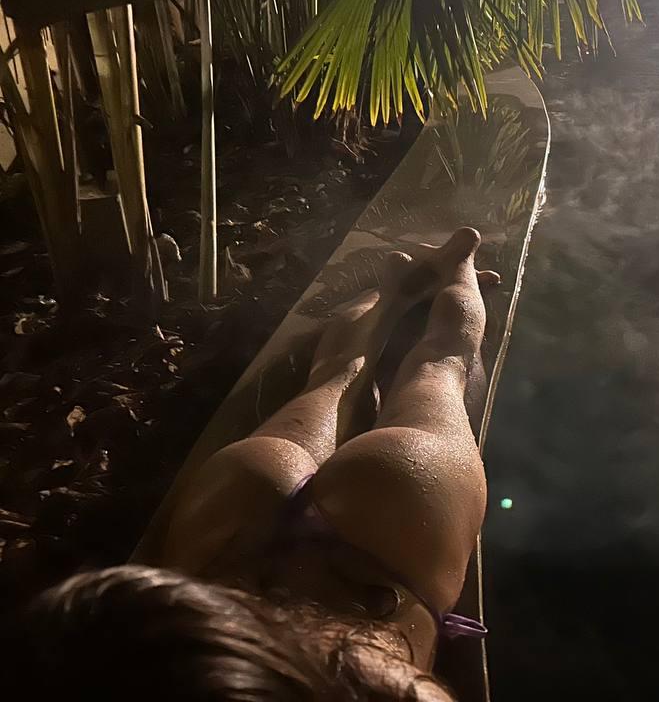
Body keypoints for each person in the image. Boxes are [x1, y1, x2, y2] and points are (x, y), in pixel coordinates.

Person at [11, 227, 497, 701]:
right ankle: (450, 265)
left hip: (383, 561)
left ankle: (406, 285)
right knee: (432, 365)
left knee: (368, 371)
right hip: (242, 529)